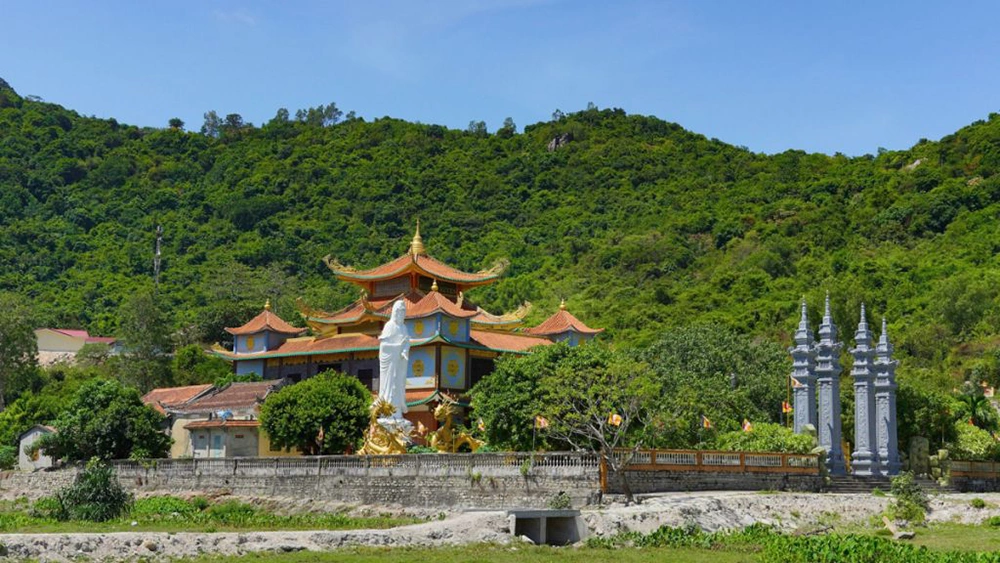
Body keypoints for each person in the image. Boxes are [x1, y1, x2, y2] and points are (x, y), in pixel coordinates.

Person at [377, 300, 410, 420]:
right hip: (390, 366)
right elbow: (383, 346)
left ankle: (398, 412)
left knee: (399, 385)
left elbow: (407, 342)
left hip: (400, 363)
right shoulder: (389, 326)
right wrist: (398, 347)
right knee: (390, 387)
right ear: (395, 312)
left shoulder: (404, 328)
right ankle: (388, 412)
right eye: (399, 312)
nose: (402, 314)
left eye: (403, 312)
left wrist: (405, 349)